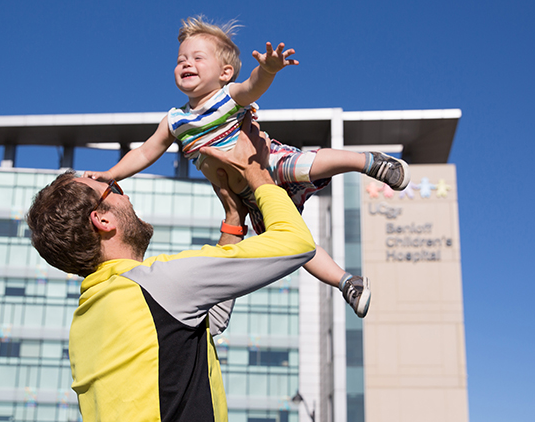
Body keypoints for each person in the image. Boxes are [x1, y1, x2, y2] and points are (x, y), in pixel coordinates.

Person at [84, 16, 411, 318]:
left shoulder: (227, 97)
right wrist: (111, 174)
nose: (186, 63)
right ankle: (346, 283)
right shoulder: (175, 120)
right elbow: (145, 152)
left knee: (305, 165)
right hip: (248, 196)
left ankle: (368, 162)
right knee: (295, 243)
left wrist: (267, 70)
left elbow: (252, 86)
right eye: (181, 59)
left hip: (263, 162)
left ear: (225, 73)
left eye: (198, 58)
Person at [28, 118, 317, 422]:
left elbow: (202, 325)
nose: (125, 195)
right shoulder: (154, 284)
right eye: (113, 188)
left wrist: (234, 219)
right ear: (102, 220)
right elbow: (296, 243)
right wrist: (257, 173)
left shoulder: (86, 322)